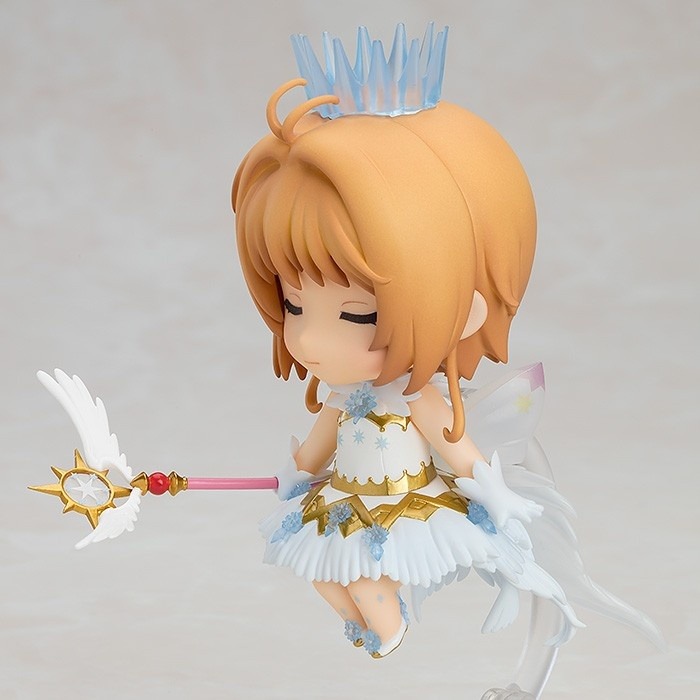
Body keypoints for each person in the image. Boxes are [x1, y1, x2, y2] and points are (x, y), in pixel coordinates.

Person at [232, 24, 662, 696]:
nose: (310, 341)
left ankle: (386, 616)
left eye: (357, 315)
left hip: (402, 502)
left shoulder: (414, 396)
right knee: (320, 568)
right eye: (292, 305)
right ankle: (376, 621)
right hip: (347, 500)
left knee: (364, 572)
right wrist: (296, 473)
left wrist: (493, 490)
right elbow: (318, 444)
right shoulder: (346, 398)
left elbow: (455, 446)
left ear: (463, 308)